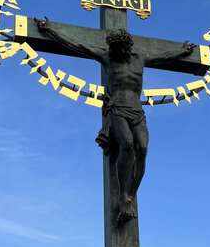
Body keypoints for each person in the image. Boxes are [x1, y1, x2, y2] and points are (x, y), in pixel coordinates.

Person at [35, 19, 194, 224]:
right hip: (118, 108)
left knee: (142, 149)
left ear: (128, 46)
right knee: (127, 146)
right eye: (114, 48)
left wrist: (183, 51)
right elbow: (77, 45)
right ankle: (123, 196)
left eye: (121, 48)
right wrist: (51, 30)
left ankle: (129, 194)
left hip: (137, 110)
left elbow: (165, 55)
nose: (117, 52)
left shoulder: (140, 58)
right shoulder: (108, 58)